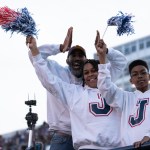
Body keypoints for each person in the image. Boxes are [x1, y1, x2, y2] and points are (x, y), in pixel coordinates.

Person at [26, 30, 127, 150]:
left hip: (97, 139)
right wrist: (61, 47)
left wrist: (106, 51)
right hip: (64, 136)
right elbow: (36, 57)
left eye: (81, 56)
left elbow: (120, 62)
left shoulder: (102, 81)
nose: (77, 59)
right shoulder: (61, 76)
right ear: (67, 60)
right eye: (73, 55)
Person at [97, 46, 150, 148]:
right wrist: (102, 57)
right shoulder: (126, 98)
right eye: (135, 74)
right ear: (131, 80)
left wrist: (148, 136)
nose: (139, 76)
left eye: (143, 73)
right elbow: (105, 88)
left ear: (149, 76)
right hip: (129, 147)